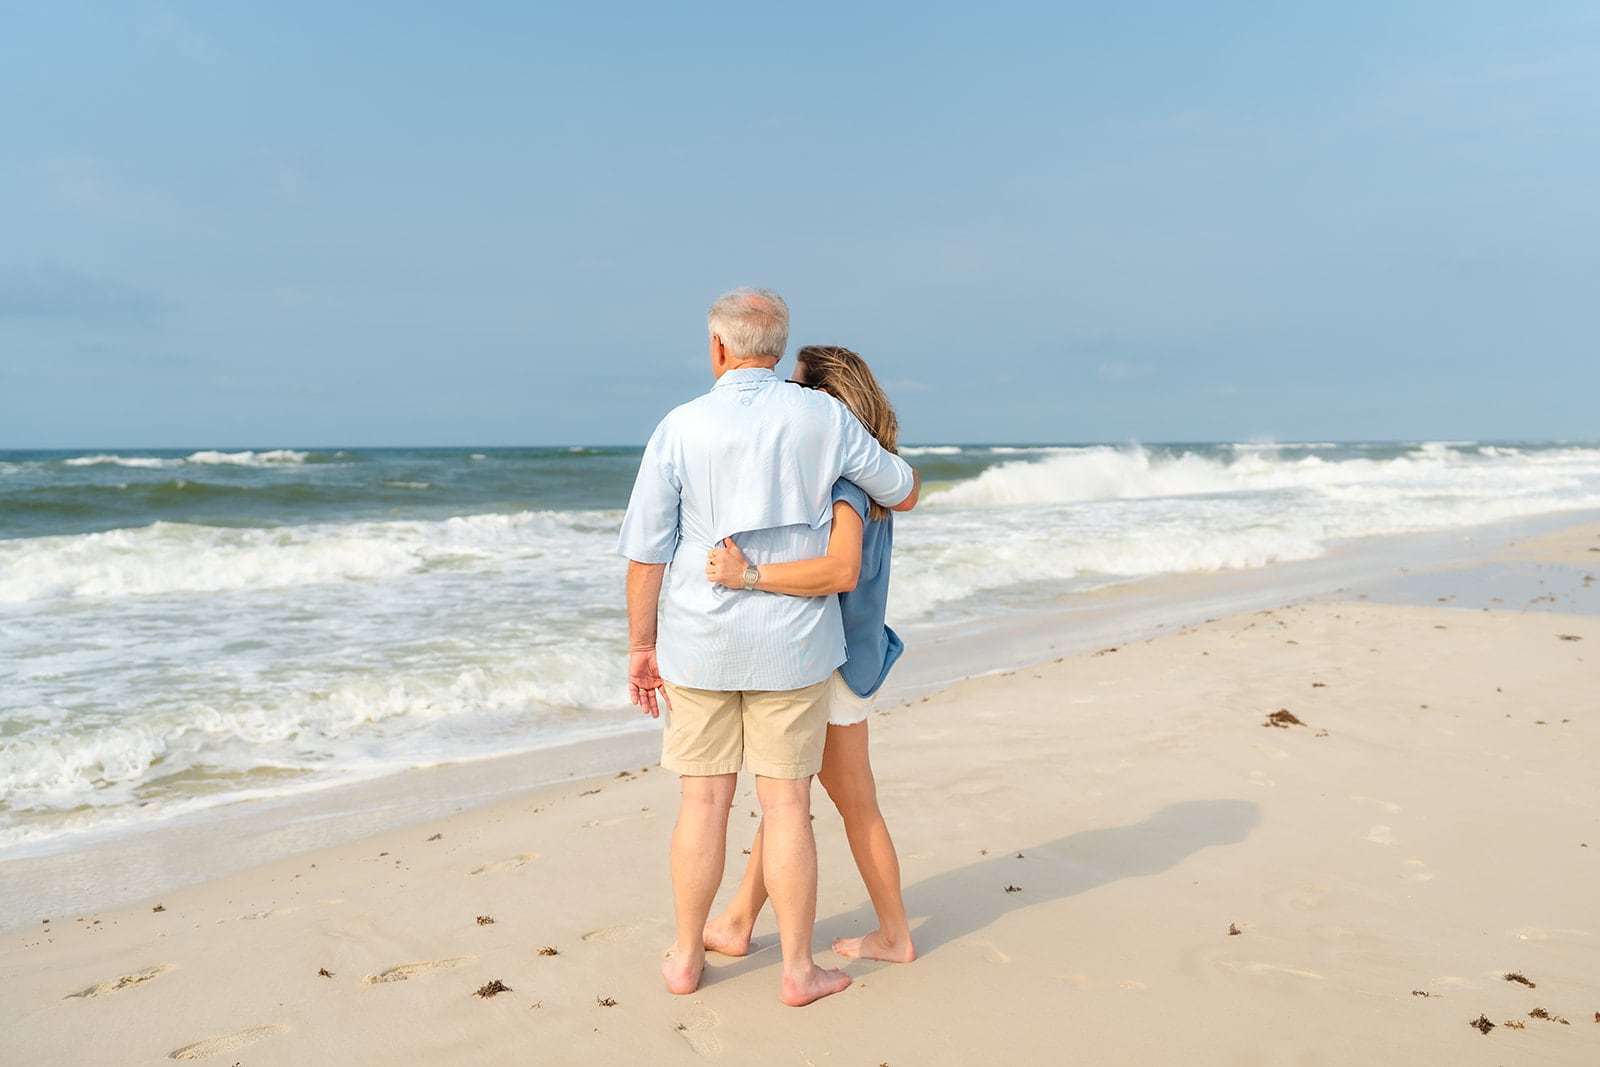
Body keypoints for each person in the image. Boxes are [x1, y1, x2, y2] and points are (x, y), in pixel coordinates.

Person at [617, 289, 920, 1007]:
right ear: (779, 350)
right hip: (794, 648)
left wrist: (640, 646)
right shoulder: (826, 418)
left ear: (717, 348)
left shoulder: (680, 424)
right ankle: (795, 971)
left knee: (704, 803)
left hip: (701, 643)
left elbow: (645, 554)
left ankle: (688, 956)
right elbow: (901, 488)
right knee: (786, 806)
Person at [700, 345, 916, 965]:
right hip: (856, 655)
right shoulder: (875, 471)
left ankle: (895, 933)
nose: (788, 400)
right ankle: (739, 919)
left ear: (826, 400)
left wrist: (749, 575)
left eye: (798, 389)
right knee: (789, 797)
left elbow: (841, 569)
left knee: (835, 802)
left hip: (832, 661)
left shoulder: (845, 479)